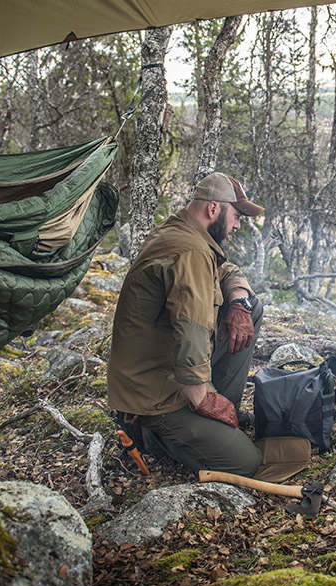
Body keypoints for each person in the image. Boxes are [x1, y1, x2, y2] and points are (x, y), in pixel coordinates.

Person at [108, 172, 264, 476]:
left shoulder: (185, 233)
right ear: (213, 209)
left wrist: (239, 304)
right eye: (236, 216)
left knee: (251, 308)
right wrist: (202, 398)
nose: (237, 225)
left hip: (163, 369)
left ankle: (218, 416)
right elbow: (191, 328)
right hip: (154, 393)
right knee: (245, 462)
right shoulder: (190, 251)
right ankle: (149, 436)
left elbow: (225, 269)